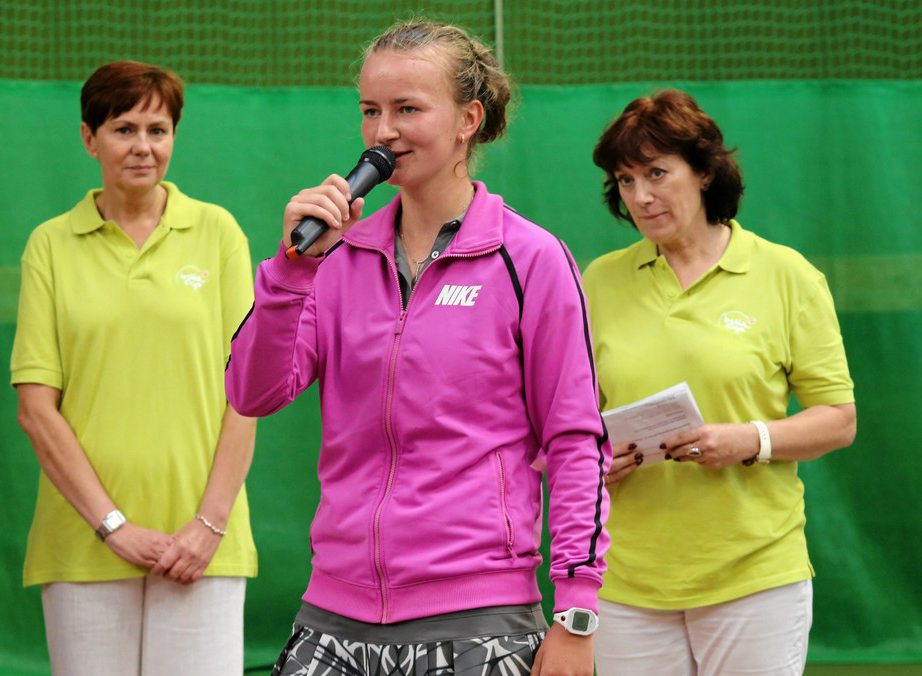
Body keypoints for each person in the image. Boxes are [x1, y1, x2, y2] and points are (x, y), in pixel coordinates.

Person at [226, 20, 610, 676]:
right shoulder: (335, 256)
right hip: (333, 615)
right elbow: (253, 392)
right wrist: (292, 271)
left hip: (479, 619)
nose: (382, 133)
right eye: (370, 111)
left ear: (468, 118)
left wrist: (577, 611)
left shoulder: (531, 259)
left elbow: (575, 441)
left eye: (407, 109)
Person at [582, 89, 857, 676]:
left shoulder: (787, 276)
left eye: (657, 172)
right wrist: (595, 459)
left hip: (756, 576)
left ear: (705, 172)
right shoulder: (597, 283)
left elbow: (838, 418)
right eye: (626, 180)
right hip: (624, 579)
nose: (642, 196)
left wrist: (751, 440)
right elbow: (571, 420)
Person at [10, 60, 258, 676]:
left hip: (204, 547)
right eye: (124, 129)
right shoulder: (49, 244)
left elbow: (246, 393)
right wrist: (114, 526)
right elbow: (37, 409)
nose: (143, 147)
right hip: (83, 547)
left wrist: (208, 526)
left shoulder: (219, 232)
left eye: (158, 129)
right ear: (90, 138)